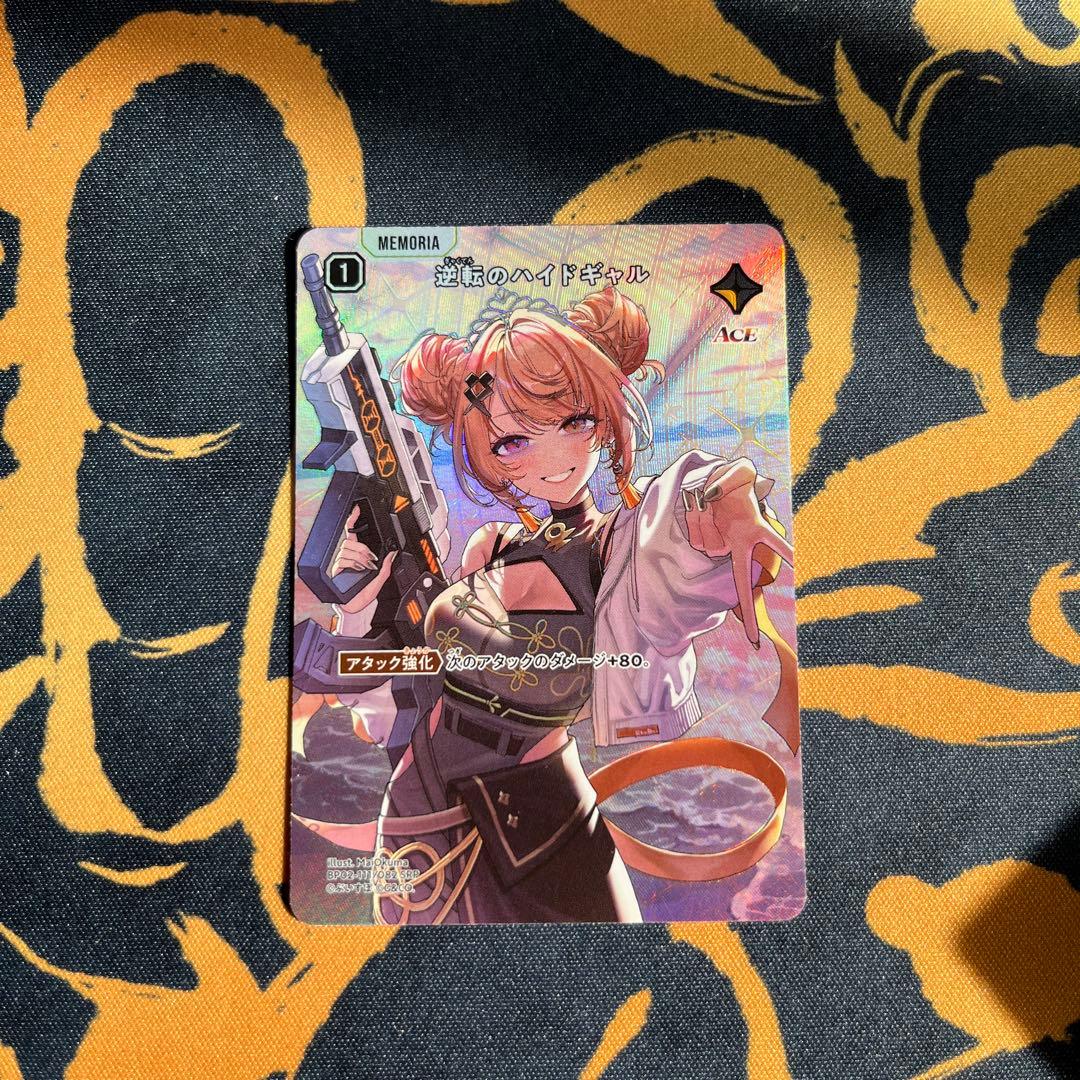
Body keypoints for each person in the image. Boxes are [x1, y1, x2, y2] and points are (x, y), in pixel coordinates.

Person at [308, 286, 795, 924]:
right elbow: (407, 686)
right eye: (512, 441)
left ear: (605, 420)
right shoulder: (491, 548)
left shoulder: (621, 549)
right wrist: (359, 609)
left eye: (575, 421)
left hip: (542, 826)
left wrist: (728, 506)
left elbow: (683, 515)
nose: (554, 453)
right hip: (418, 815)